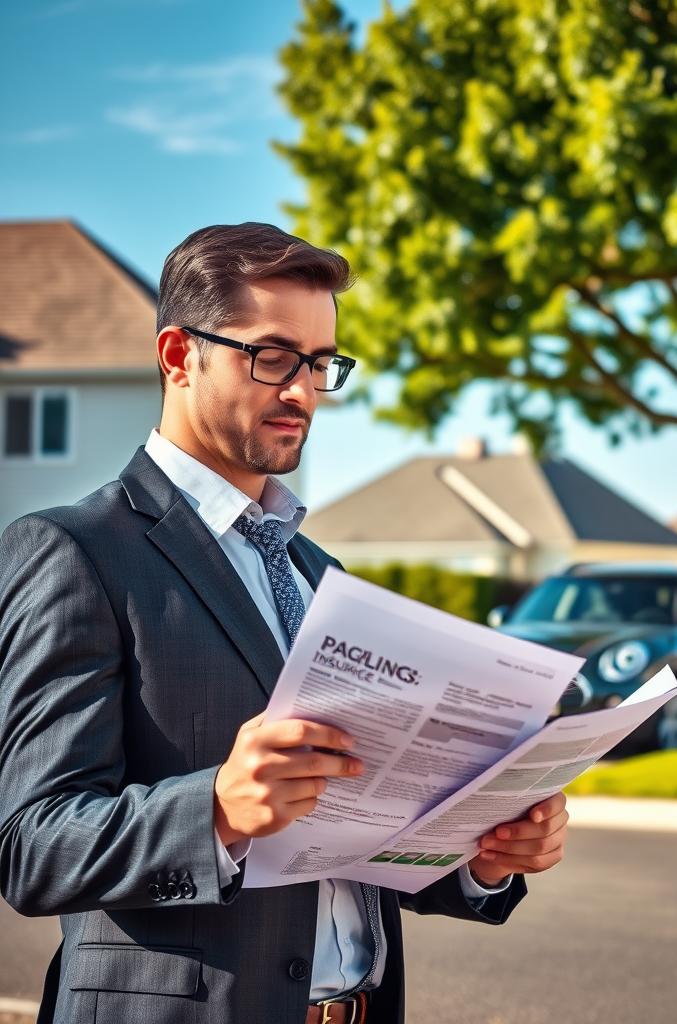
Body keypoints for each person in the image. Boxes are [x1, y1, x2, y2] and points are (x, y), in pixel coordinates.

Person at [0, 222, 569, 1024]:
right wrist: (217, 810)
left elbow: (356, 839)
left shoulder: (319, 574)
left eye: (320, 363)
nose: (303, 390)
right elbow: (32, 844)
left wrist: (483, 857)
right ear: (176, 356)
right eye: (272, 357)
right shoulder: (73, 553)